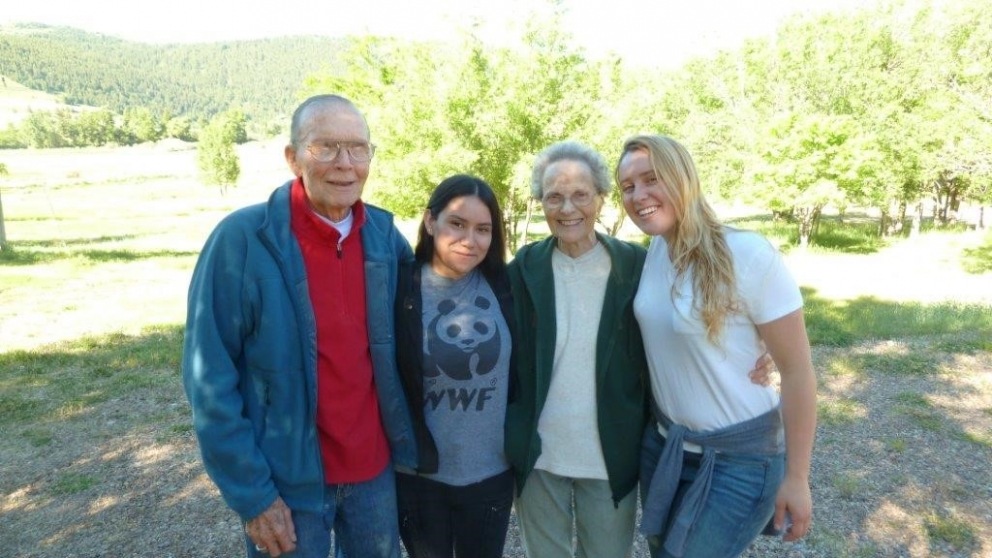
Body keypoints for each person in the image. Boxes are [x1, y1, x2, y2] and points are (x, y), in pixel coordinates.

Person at [182, 94, 416, 558]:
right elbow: (209, 379)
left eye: (358, 148)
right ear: (293, 158)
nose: (345, 164)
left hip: (373, 474)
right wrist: (253, 494)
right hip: (286, 480)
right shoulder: (243, 242)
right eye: (325, 147)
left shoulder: (386, 239)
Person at [616, 134, 817, 558]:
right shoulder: (654, 251)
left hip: (738, 462)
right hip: (666, 446)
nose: (638, 195)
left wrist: (797, 477)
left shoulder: (747, 253)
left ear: (683, 177)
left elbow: (798, 372)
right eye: (628, 187)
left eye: (652, 179)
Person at [394, 174, 516, 558]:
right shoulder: (399, 290)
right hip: (420, 476)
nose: (470, 240)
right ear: (431, 222)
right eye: (457, 224)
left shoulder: (505, 286)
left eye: (483, 229)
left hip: (491, 475)